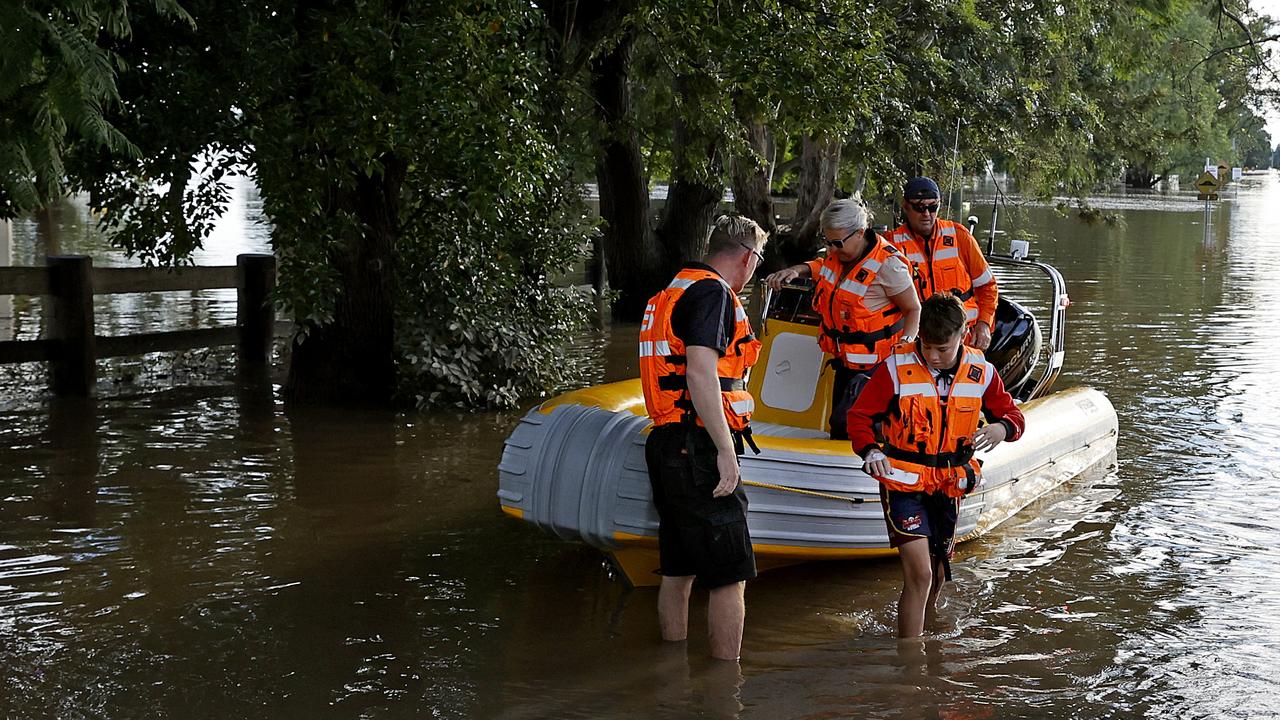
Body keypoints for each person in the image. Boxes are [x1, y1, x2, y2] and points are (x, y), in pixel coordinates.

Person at [847, 292, 1025, 638]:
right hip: (902, 484)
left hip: (949, 484)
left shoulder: (982, 373)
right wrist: (870, 451)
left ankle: (926, 626)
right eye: (927, 347)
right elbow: (859, 417)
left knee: (939, 571)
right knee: (920, 574)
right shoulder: (895, 369)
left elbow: (1013, 415)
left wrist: (1002, 427)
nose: (932, 356)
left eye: (941, 349)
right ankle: (911, 663)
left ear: (963, 335)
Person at [638, 214, 768, 661]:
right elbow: (700, 370)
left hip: (665, 442)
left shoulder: (670, 290)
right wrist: (727, 451)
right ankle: (725, 688)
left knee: (678, 569)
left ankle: (671, 671)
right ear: (749, 258)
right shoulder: (713, 293)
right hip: (697, 446)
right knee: (730, 575)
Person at [763, 198, 920, 440]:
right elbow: (822, 266)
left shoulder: (889, 265)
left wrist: (906, 345)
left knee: (850, 424)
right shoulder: (835, 255)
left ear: (860, 233)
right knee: (838, 428)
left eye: (837, 243)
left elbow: (913, 309)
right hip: (845, 361)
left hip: (877, 365)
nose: (832, 249)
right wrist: (798, 270)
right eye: (828, 242)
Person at [890, 177, 998, 350]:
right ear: (905, 206)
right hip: (918, 341)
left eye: (932, 207)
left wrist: (984, 323)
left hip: (964, 338)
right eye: (919, 207)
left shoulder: (959, 236)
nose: (926, 214)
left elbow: (987, 286)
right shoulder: (890, 245)